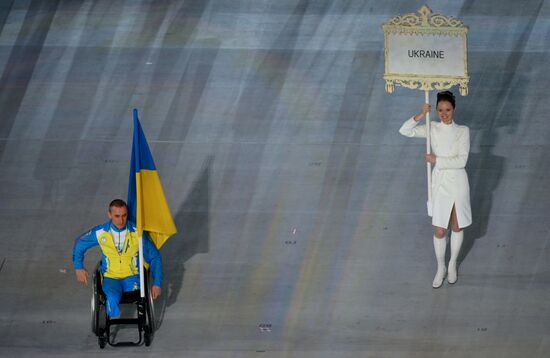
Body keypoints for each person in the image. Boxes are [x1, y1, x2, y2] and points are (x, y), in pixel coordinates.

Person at [399, 91, 472, 288]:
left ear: (453, 109)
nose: (444, 113)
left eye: (447, 110)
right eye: (440, 110)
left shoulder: (463, 131)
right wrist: (421, 114)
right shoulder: (432, 127)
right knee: (440, 230)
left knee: (457, 226)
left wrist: (437, 160)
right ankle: (440, 266)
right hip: (440, 183)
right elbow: (405, 130)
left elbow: (462, 161)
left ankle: (452, 264)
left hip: (458, 183)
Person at [73, 199, 162, 317]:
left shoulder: (138, 233)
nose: (121, 220)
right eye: (117, 216)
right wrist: (78, 267)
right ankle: (113, 315)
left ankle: (115, 313)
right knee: (112, 296)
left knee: (132, 295)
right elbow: (79, 244)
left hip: (133, 278)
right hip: (111, 278)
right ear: (109, 215)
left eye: (124, 215)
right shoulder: (100, 232)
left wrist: (157, 283)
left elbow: (155, 256)